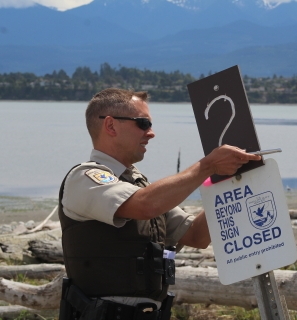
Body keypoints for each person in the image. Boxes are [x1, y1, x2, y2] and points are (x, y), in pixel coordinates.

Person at [58, 88, 261, 320]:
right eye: (143, 123)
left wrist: (230, 181)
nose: (151, 133)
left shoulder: (140, 187)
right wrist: (207, 166)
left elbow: (197, 236)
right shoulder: (84, 178)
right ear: (111, 126)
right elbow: (145, 206)